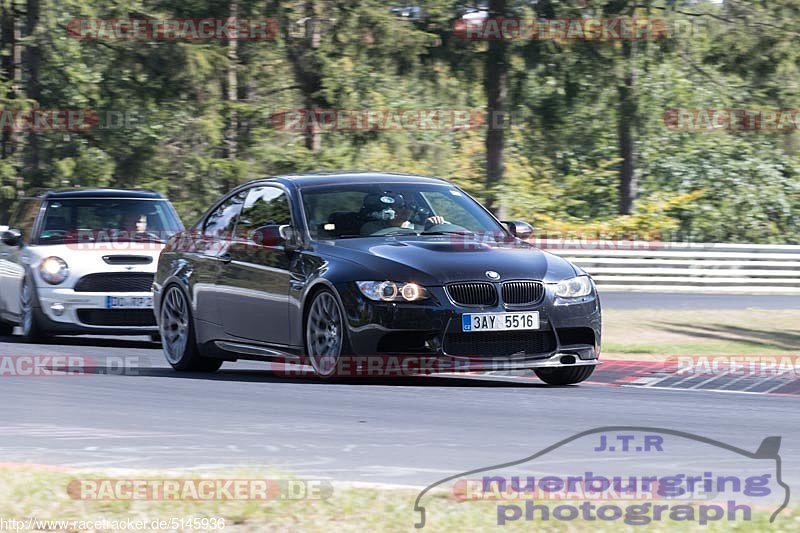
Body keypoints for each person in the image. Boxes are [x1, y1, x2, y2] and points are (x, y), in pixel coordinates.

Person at [360, 192, 445, 235]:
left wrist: (435, 227)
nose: (407, 210)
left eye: (411, 207)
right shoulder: (372, 228)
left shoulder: (420, 228)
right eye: (401, 207)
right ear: (388, 208)